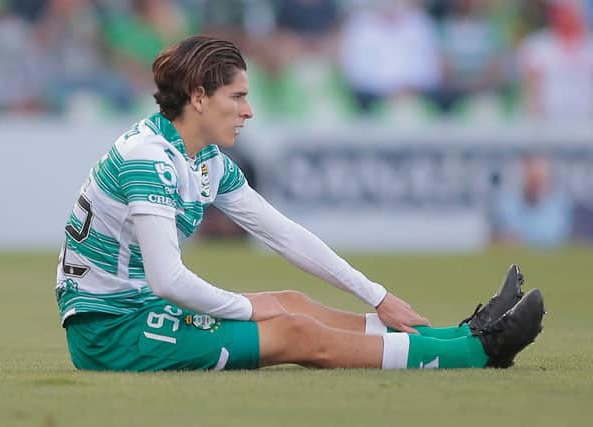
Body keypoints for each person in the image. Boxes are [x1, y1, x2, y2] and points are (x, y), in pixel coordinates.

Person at [55, 35, 545, 372]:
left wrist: (375, 294)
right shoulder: (150, 158)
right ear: (199, 97)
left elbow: (284, 234)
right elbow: (167, 279)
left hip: (138, 311)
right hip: (110, 332)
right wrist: (247, 308)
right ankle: (478, 354)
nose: (249, 110)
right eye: (238, 96)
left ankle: (461, 336)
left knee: (290, 303)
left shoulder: (203, 159)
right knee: (292, 330)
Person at [491, 153, 573, 247]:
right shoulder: (507, 206)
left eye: (540, 179)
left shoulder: (560, 207)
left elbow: (558, 238)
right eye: (532, 179)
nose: (537, 185)